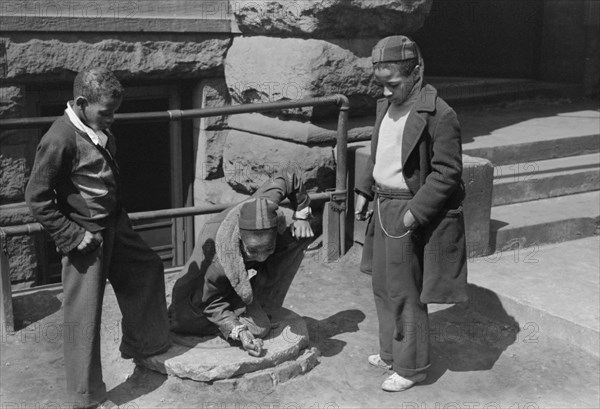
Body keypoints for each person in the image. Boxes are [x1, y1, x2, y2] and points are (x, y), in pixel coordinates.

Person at [25, 68, 171, 408]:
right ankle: (86, 396)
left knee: (147, 268)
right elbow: (37, 197)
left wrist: (117, 219)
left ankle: (145, 345)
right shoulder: (59, 138)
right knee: (84, 314)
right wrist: (71, 235)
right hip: (84, 236)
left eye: (114, 111)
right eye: (106, 112)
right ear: (80, 103)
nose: (112, 118)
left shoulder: (96, 127)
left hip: (115, 225)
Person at [354, 35, 468, 392]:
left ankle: (412, 366)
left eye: (394, 84)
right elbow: (379, 152)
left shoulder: (439, 114)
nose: (387, 92)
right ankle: (390, 352)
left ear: (416, 72)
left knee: (406, 291)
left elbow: (447, 172)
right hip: (381, 204)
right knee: (382, 286)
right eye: (382, 85)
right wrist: (362, 189)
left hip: (407, 209)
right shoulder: (387, 106)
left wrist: (414, 214)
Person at [169, 169, 314, 356]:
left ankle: (260, 298)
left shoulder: (266, 204)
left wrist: (302, 215)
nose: (261, 258)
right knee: (258, 329)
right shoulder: (219, 262)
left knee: (299, 236)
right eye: (253, 250)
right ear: (240, 238)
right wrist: (239, 332)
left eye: (268, 249)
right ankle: (240, 307)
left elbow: (289, 176)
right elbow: (210, 303)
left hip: (236, 265)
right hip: (199, 298)